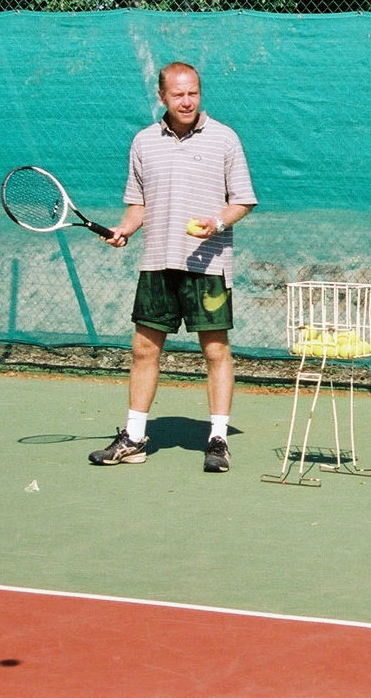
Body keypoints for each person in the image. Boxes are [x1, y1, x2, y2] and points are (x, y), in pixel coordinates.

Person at [88, 61, 258, 473]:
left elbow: (244, 199)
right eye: (178, 94)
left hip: (209, 265)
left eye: (193, 93)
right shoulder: (144, 141)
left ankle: (218, 439)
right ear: (161, 96)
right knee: (143, 350)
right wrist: (125, 229)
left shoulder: (225, 139)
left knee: (216, 351)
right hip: (156, 263)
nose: (187, 101)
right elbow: (138, 203)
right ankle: (134, 437)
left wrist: (217, 223)